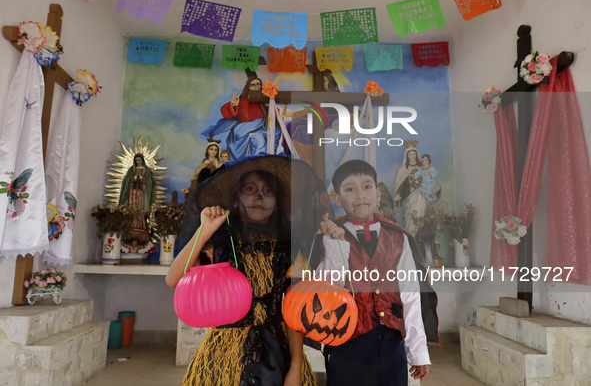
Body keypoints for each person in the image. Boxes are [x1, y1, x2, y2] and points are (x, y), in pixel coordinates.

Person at [167, 156, 329, 386]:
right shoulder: (219, 243)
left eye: (268, 191)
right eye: (250, 189)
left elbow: (295, 312)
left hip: (277, 351)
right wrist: (205, 230)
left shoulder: (291, 249)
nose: (259, 197)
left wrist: (295, 366)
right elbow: (173, 278)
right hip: (222, 353)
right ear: (236, 198)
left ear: (277, 201)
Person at [315, 160, 439, 386]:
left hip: (392, 342)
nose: (360, 194)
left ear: (378, 193)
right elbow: (328, 288)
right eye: (350, 189)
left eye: (367, 187)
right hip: (346, 342)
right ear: (337, 199)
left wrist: (418, 352)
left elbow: (410, 296)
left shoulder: (398, 237)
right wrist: (335, 242)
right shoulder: (329, 236)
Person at [202, 77, 281, 160]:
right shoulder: (241, 100)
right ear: (248, 87)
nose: (256, 87)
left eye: (258, 84)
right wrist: (233, 105)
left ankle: (259, 162)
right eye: (253, 85)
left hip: (262, 130)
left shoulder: (264, 100)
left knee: (258, 138)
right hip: (242, 132)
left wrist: (269, 107)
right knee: (256, 138)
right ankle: (256, 162)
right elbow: (224, 111)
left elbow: (275, 115)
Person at [394, 143, 432, 235]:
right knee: (411, 219)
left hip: (421, 197)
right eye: (410, 154)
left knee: (421, 217)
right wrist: (398, 194)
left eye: (414, 154)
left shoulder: (422, 168)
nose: (412, 156)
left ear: (417, 154)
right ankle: (411, 239)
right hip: (409, 199)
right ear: (407, 156)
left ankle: (420, 241)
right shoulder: (403, 170)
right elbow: (400, 185)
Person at [119, 153, 153, 242]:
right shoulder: (131, 170)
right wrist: (133, 178)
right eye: (136, 160)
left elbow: (149, 183)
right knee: (131, 209)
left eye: (139, 160)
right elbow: (126, 182)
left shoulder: (147, 170)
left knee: (140, 210)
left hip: (142, 193)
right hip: (132, 193)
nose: (138, 162)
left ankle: (141, 227)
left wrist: (142, 178)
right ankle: (129, 229)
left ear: (142, 160)